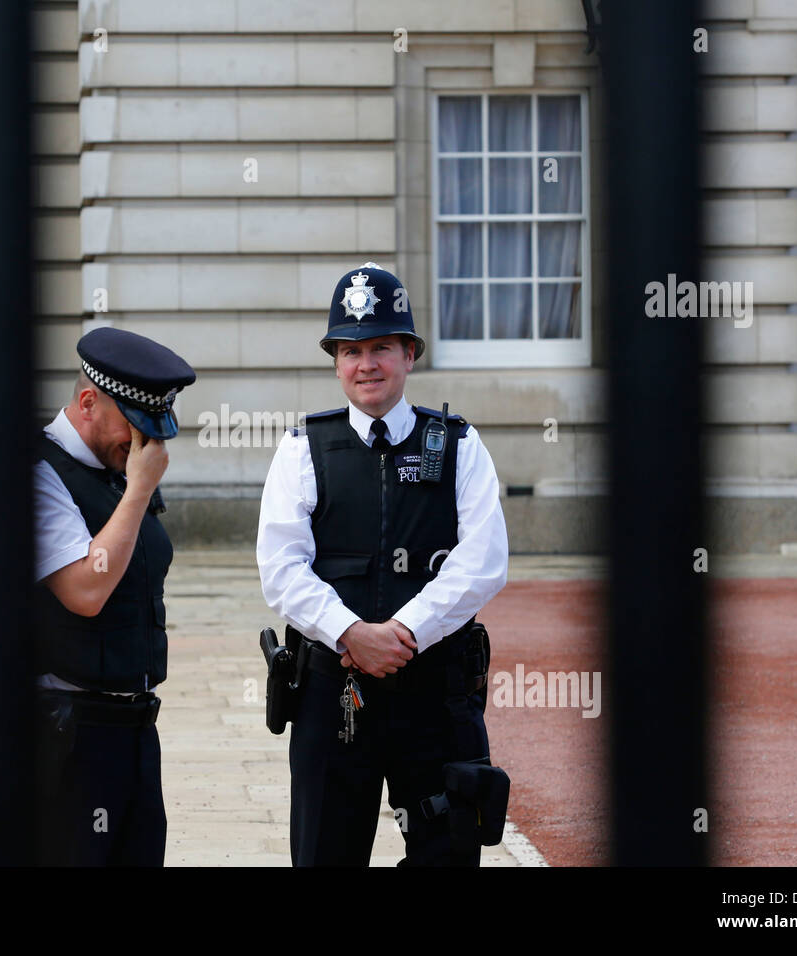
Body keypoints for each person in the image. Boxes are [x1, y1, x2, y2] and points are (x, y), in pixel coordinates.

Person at [256, 262, 509, 866]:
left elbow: (483, 562)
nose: (365, 364)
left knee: (447, 853)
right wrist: (352, 634)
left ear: (410, 354)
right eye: (350, 350)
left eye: (381, 348)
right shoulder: (301, 450)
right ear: (336, 360)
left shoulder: (459, 445)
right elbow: (281, 567)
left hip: (436, 694)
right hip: (335, 695)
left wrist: (402, 635)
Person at [33, 326, 196, 866]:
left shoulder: (118, 469)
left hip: (134, 726)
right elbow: (85, 589)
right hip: (68, 735)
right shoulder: (39, 472)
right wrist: (140, 488)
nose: (150, 447)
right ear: (87, 402)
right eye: (138, 429)